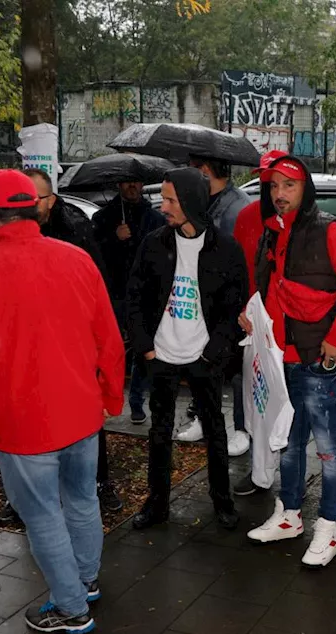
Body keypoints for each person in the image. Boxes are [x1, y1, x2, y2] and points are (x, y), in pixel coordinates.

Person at [0, 169, 125, 634]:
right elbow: (109, 337)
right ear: (36, 208)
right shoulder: (77, 259)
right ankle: (84, 582)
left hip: (25, 426)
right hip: (83, 414)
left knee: (42, 516)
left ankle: (70, 607)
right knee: (82, 500)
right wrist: (111, 395)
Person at [243, 154, 336, 568]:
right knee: (289, 443)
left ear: (306, 189)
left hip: (319, 362)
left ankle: (328, 528)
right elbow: (268, 289)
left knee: (329, 450)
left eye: (289, 185)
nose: (279, 194)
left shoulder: (328, 232)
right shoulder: (271, 233)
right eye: (274, 186)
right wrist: (252, 314)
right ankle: (290, 515)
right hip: (282, 360)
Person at [126, 167, 248, 531]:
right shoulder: (153, 244)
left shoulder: (226, 249)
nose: (162, 206)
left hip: (204, 358)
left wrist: (213, 353)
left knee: (215, 431)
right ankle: (157, 504)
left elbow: (234, 308)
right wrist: (146, 349)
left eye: (170, 200)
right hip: (160, 357)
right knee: (159, 432)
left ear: (192, 202)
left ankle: (222, 502)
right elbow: (134, 299)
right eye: (162, 198)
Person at [17, 168, 123, 515]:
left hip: (72, 347)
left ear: (52, 200)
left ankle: (100, 484)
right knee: (29, 420)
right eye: (25, 198)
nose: (32, 206)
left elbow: (99, 288)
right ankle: (23, 494)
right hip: (27, 349)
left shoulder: (75, 231)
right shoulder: (7, 233)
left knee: (85, 420)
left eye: (38, 198)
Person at [174, 156, 254, 456]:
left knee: (234, 369)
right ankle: (201, 416)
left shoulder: (237, 207)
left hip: (228, 300)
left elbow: (239, 259)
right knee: (201, 362)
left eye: (195, 170)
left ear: (205, 172)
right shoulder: (205, 202)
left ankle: (241, 428)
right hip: (200, 299)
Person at [229, 149, 289, 497]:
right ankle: (261, 474)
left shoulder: (306, 221)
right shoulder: (248, 216)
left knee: (290, 405)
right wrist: (241, 311)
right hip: (254, 325)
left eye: (280, 182)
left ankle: (291, 475)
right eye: (268, 181)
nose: (273, 189)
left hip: (291, 330)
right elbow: (238, 270)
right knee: (258, 401)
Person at [93, 179, 164, 424]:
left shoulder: (154, 218)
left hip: (145, 293)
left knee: (142, 349)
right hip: (114, 292)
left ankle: (136, 402)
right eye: (126, 182)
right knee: (108, 347)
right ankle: (102, 399)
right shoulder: (104, 217)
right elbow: (94, 253)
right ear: (118, 185)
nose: (132, 186)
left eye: (136, 182)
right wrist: (114, 238)